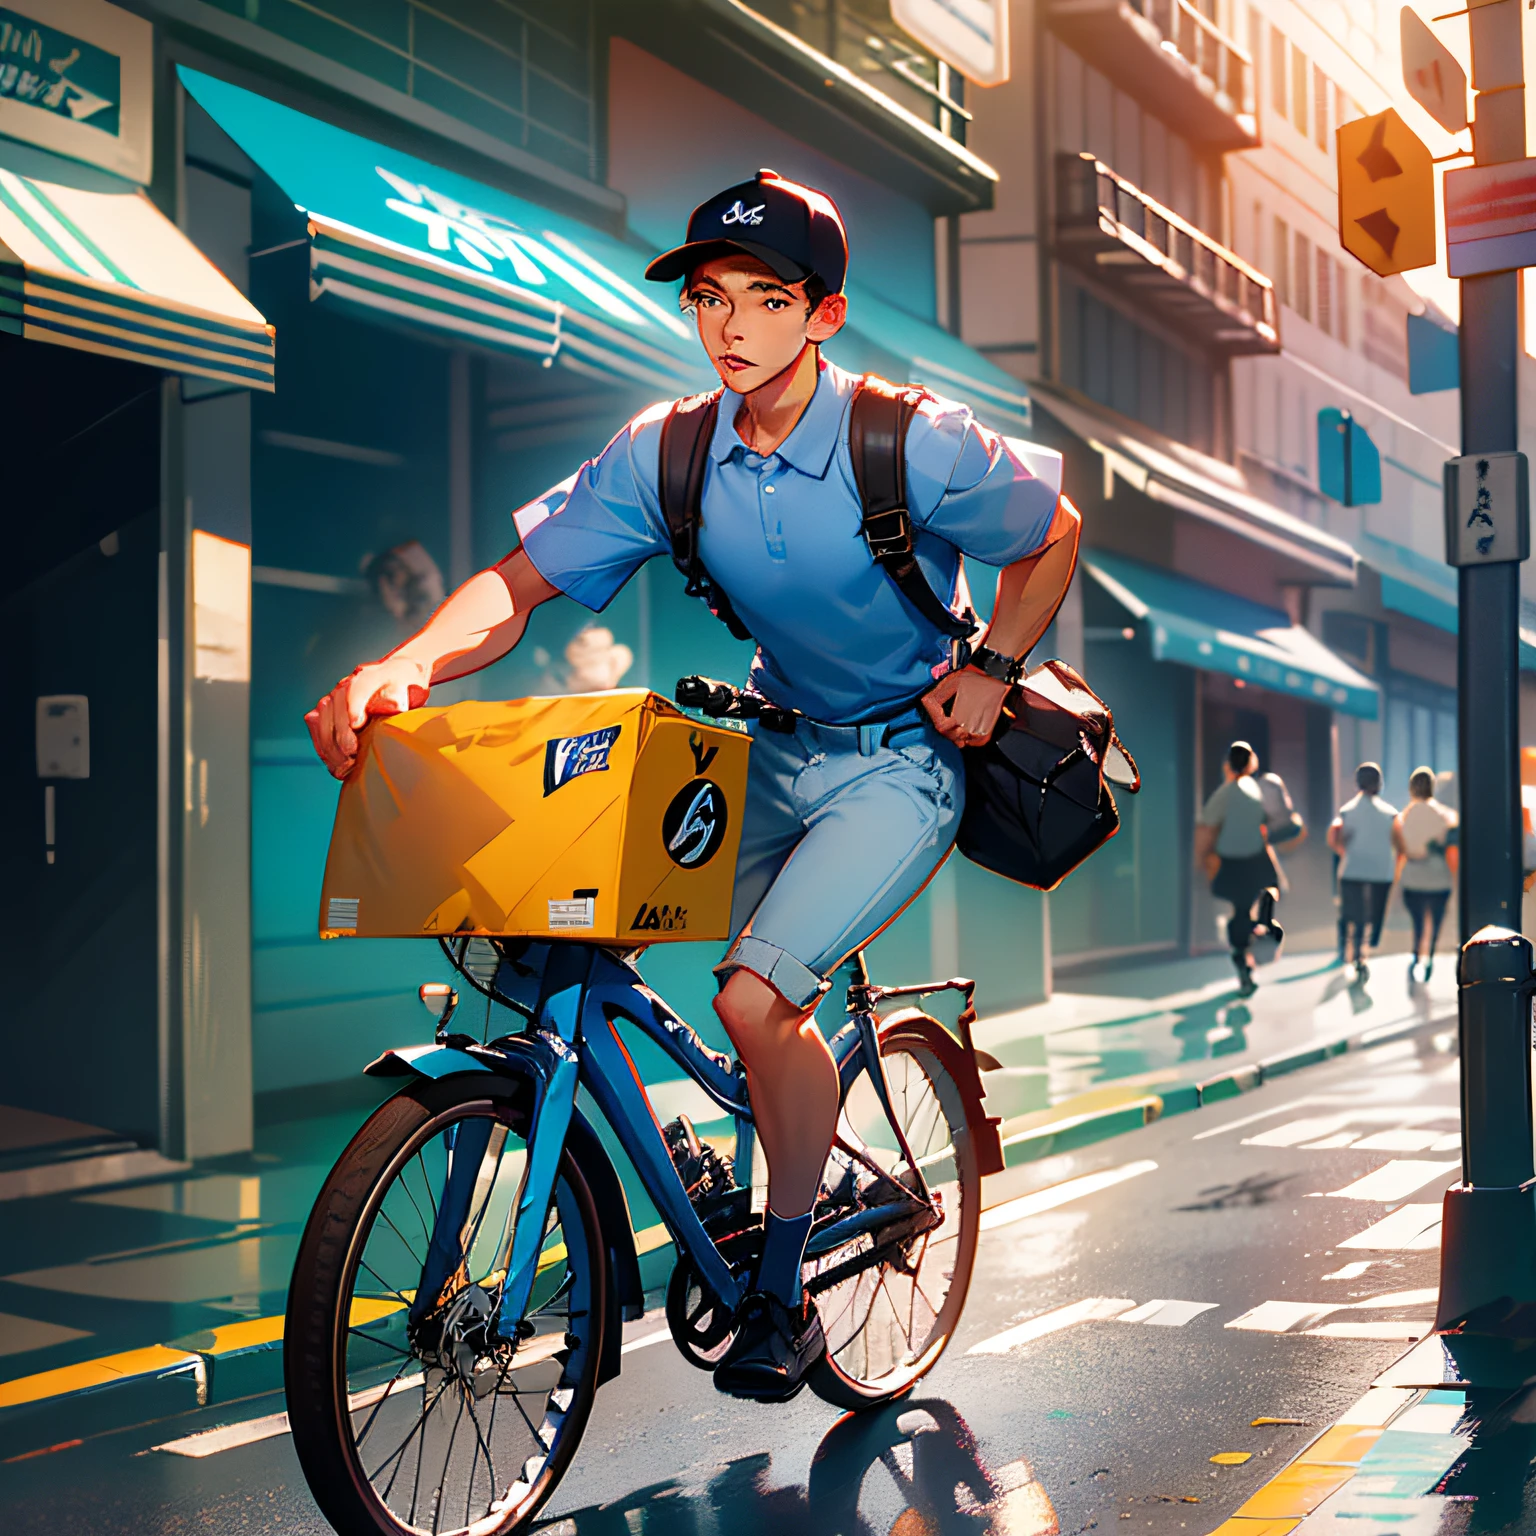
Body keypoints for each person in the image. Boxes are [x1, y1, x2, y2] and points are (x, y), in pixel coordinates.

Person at [304, 169, 1078, 1401]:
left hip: (900, 760)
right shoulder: (665, 452)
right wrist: (403, 663)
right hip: (769, 745)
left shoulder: (905, 437)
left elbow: (1055, 532)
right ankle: (705, 1149)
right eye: (709, 298)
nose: (728, 326)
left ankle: (780, 1294)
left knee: (756, 1001)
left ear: (821, 314)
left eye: (763, 299)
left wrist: (990, 666)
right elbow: (517, 583)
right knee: (567, 920)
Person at [1195, 740, 1277, 996]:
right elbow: (1265, 824)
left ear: (1227, 764)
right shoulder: (1255, 788)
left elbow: (1207, 826)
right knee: (1257, 902)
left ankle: (1242, 957)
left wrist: (1201, 859)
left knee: (1240, 912)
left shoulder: (1226, 792)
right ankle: (1251, 942)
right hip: (1256, 859)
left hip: (1233, 862)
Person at [1328, 762, 1398, 980]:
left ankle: (1348, 949)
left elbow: (1337, 840)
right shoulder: (1391, 814)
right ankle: (1363, 953)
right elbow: (1398, 842)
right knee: (1372, 915)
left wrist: (1344, 851)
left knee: (1351, 913)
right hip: (1381, 871)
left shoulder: (1347, 811)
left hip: (1353, 868)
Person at [1392, 766, 1457, 983]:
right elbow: (1451, 850)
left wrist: (1396, 877)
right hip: (1439, 877)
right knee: (1435, 921)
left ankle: (1415, 954)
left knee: (1418, 921)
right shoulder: (1446, 815)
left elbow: (1401, 851)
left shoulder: (1403, 817)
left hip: (1412, 877)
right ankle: (1428, 956)